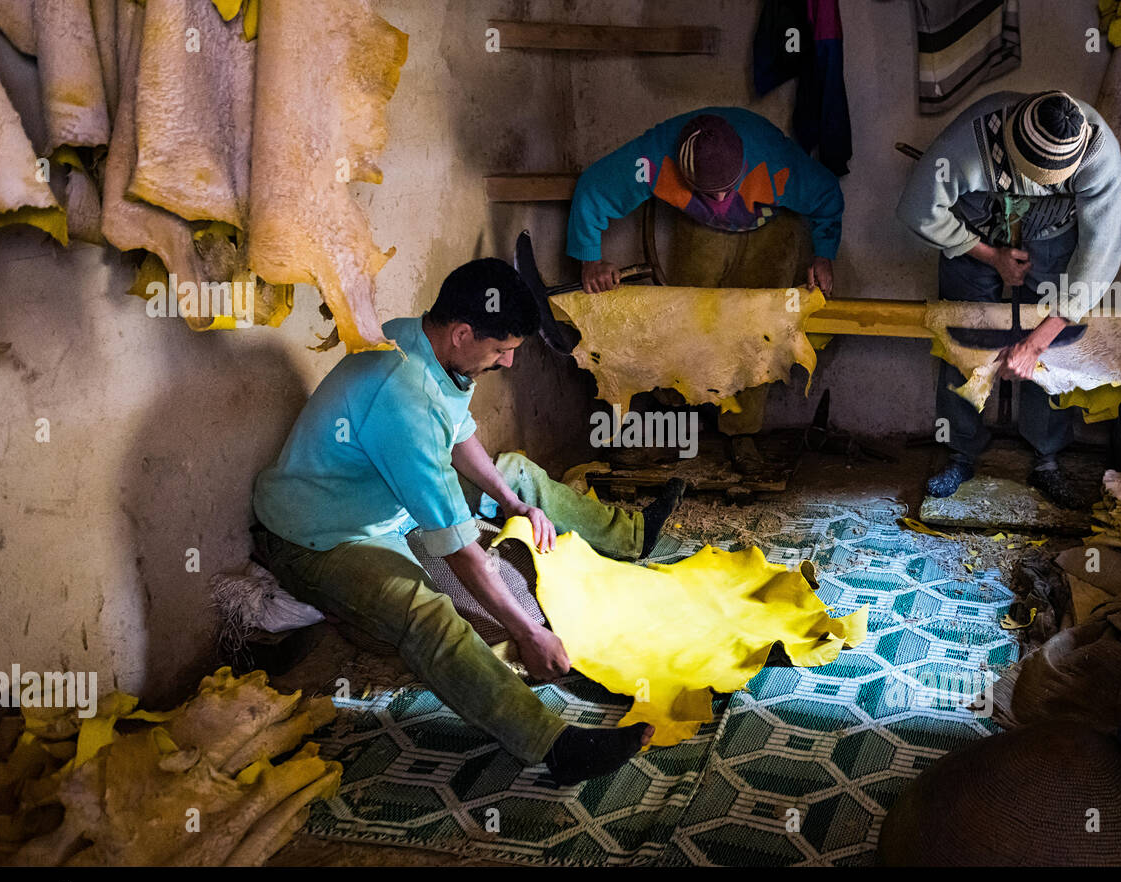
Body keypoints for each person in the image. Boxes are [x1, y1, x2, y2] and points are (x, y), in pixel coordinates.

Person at [250, 258, 686, 785]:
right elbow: (458, 548)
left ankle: (632, 535)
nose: (504, 363)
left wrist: (513, 504)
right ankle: (553, 746)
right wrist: (527, 635)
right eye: (501, 351)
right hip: (321, 537)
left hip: (387, 509)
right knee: (425, 613)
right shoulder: (402, 397)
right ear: (461, 334)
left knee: (514, 473)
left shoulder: (423, 342)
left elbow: (457, 434)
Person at [567, 107, 845, 472]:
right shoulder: (655, 154)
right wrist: (591, 259)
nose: (718, 200)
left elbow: (827, 195)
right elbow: (594, 186)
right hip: (699, 226)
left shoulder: (777, 161)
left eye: (725, 190)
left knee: (758, 326)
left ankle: (741, 431)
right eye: (707, 192)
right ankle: (674, 422)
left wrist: (824, 255)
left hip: (771, 227)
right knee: (686, 317)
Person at [896, 89, 1121, 509]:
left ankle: (1047, 456)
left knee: (1057, 344)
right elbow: (918, 208)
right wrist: (990, 256)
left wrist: (1038, 340)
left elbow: (1100, 254)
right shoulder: (968, 143)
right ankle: (960, 449)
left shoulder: (1101, 156)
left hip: (1054, 230)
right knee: (964, 336)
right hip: (977, 228)